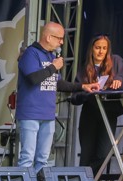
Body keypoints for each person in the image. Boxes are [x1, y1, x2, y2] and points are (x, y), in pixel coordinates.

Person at [16, 22, 100, 173]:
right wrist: (53, 67)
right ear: (48, 37)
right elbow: (33, 79)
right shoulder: (31, 54)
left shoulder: (51, 56)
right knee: (27, 156)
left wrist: (82, 86)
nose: (61, 42)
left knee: (44, 158)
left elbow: (58, 83)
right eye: (59, 38)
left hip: (48, 114)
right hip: (30, 113)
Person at [71, 34, 123, 179]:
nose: (101, 51)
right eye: (98, 47)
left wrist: (119, 80)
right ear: (91, 49)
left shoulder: (116, 61)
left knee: (104, 153)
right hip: (90, 114)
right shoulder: (84, 68)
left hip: (108, 112)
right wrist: (88, 92)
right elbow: (75, 97)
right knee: (86, 154)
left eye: (104, 48)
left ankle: (82, 180)